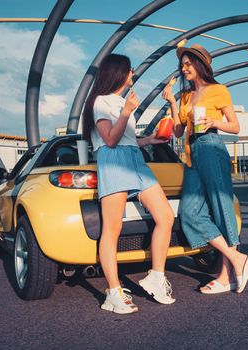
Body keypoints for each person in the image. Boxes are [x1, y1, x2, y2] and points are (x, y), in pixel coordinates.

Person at [82, 54, 175, 314]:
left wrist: (149, 141)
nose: (133, 73)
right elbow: (110, 140)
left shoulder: (122, 102)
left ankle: (156, 276)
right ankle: (113, 292)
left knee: (165, 216)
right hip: (112, 162)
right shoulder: (100, 102)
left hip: (134, 159)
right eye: (130, 70)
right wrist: (126, 112)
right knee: (111, 230)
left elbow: (126, 140)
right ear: (118, 73)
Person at [162, 44, 248, 294]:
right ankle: (237, 259)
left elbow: (235, 127)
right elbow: (179, 131)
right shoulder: (184, 96)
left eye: (188, 64)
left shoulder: (218, 90)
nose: (184, 69)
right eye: (182, 65)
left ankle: (225, 277)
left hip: (212, 147)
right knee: (191, 214)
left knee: (221, 207)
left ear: (201, 64)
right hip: (192, 154)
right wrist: (172, 102)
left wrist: (214, 121)